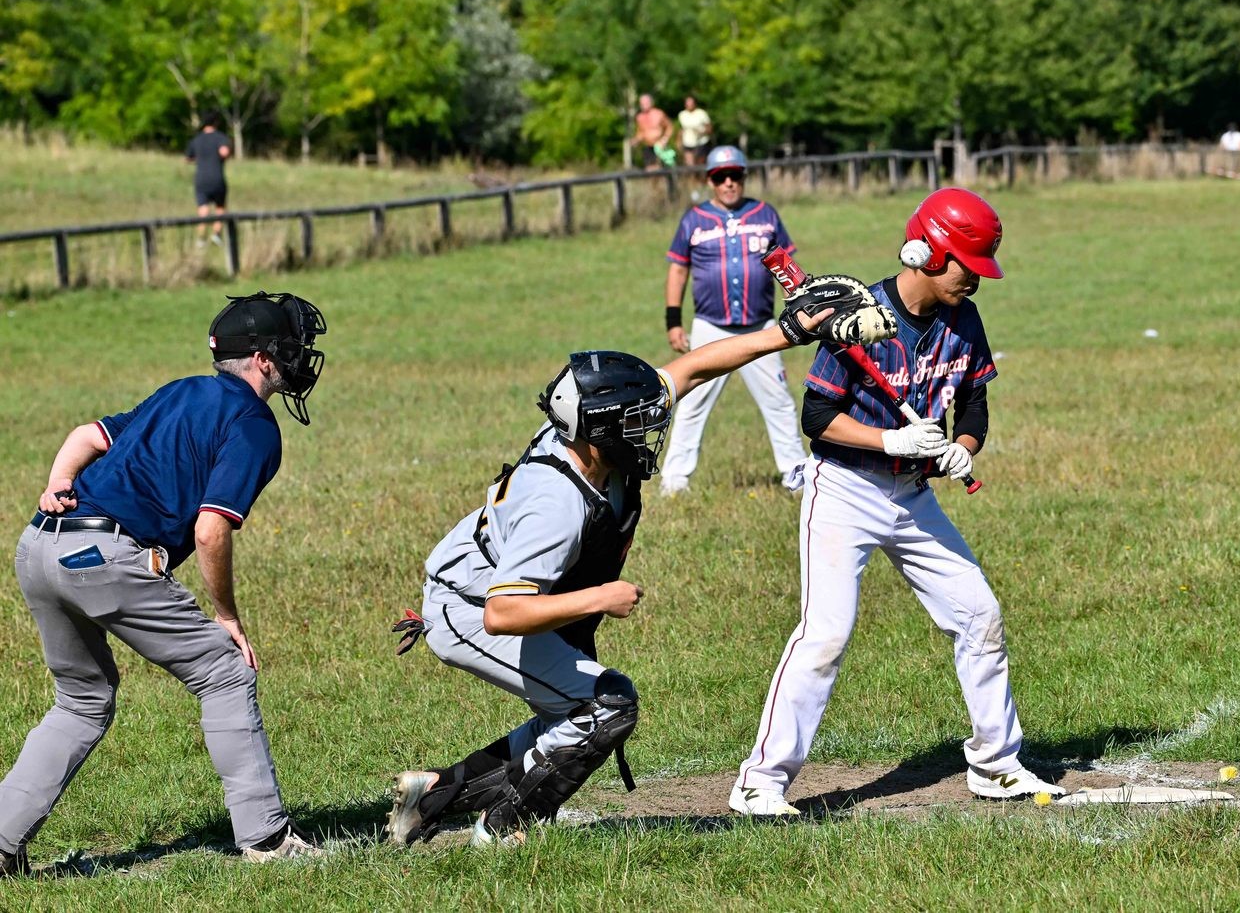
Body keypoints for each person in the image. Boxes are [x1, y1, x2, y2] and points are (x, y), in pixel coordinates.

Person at [382, 285, 895, 846]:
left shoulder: (589, 437)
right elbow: (505, 612)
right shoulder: (556, 504)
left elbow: (695, 366)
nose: (650, 430)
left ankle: (431, 795)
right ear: (601, 436)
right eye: (637, 423)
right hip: (469, 607)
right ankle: (503, 828)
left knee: (574, 714)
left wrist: (789, 334)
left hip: (507, 595)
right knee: (606, 705)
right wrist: (600, 599)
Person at [729, 187, 1066, 818]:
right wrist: (892, 437)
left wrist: (962, 447)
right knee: (825, 635)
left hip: (912, 496)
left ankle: (996, 764)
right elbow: (817, 417)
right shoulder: (860, 316)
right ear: (930, 253)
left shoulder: (963, 319)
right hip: (845, 490)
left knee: (979, 615)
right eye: (970, 265)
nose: (978, 280)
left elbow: (974, 404)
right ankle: (760, 782)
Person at [0, 292, 329, 875]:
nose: (299, 358)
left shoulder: (181, 390)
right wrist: (226, 615)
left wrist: (57, 481)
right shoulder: (254, 424)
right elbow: (210, 531)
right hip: (102, 558)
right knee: (224, 671)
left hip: (38, 546)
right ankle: (268, 840)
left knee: (82, 701)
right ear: (261, 359)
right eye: (290, 348)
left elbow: (87, 434)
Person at [658, 144, 808, 496]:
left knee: (780, 402)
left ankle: (795, 475)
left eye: (735, 175)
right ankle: (675, 481)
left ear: (743, 176)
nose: (728, 183)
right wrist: (673, 321)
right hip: (710, 327)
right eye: (720, 176)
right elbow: (678, 270)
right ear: (710, 180)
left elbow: (786, 266)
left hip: (762, 328)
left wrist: (801, 303)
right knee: (692, 402)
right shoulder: (693, 219)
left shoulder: (764, 213)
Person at [185, 111, 232, 248]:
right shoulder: (220, 138)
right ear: (216, 122)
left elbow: (188, 158)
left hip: (200, 178)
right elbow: (224, 152)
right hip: (216, 177)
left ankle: (201, 238)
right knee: (220, 206)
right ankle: (216, 234)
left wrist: (200, 159)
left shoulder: (197, 139)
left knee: (203, 208)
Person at [632, 94, 676, 169]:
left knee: (659, 169)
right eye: (642, 103)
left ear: (651, 103)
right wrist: (636, 140)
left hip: (659, 146)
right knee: (650, 171)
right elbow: (641, 133)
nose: (644, 105)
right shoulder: (639, 117)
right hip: (648, 146)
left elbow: (669, 126)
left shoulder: (659, 114)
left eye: (646, 102)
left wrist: (665, 138)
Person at [677, 95, 714, 167]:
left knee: (700, 163)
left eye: (691, 103)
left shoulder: (701, 113)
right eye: (687, 103)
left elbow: (710, 128)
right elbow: (681, 129)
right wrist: (678, 140)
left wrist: (702, 132)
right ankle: (692, 177)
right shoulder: (682, 115)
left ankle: (701, 177)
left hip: (701, 142)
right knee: (690, 164)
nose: (689, 105)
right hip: (688, 142)